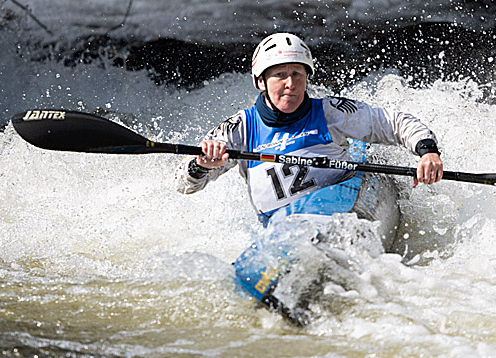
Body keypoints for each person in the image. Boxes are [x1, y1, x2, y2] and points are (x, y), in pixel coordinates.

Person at [177, 33, 443, 225]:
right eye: (280, 75)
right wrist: (201, 165)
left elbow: (394, 123)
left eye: (298, 74)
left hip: (340, 213)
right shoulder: (239, 128)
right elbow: (185, 186)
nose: (290, 83)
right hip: (282, 228)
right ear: (261, 81)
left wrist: (427, 152)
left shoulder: (331, 112)